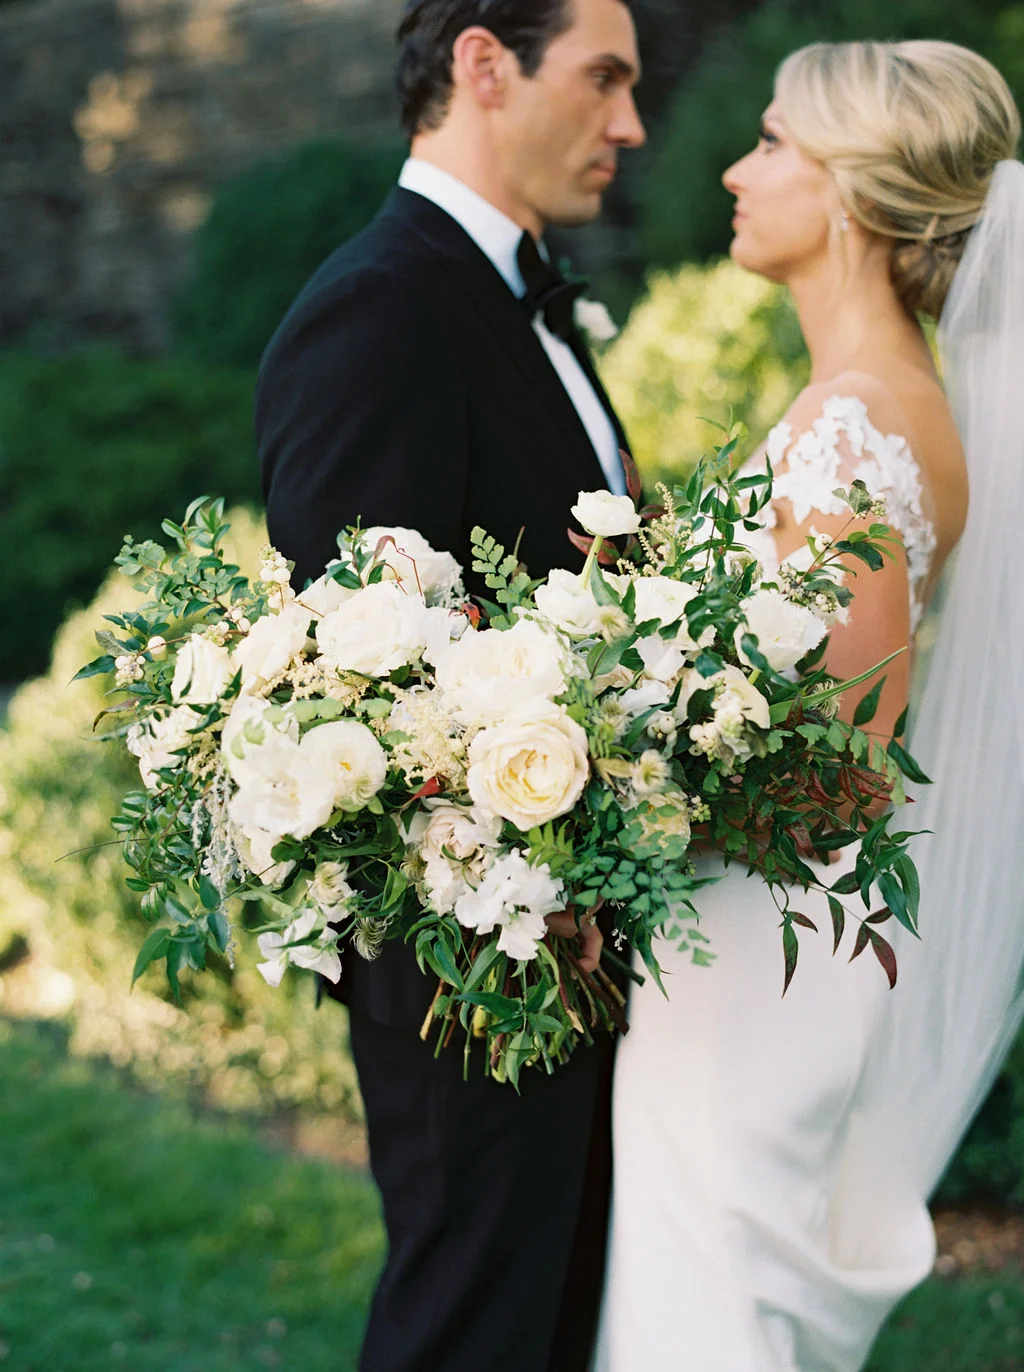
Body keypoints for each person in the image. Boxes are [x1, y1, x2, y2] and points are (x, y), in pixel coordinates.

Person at [595, 39, 1024, 1372]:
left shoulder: (854, 428)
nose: (734, 167)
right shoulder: (886, 405)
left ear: (846, 191)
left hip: (756, 951)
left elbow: (839, 769)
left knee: (707, 1312)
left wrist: (619, 779)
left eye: (771, 141)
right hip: (761, 936)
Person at [255, 2, 645, 1369]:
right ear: (486, 65)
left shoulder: (521, 296)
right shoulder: (379, 309)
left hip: (573, 949)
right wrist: (512, 905)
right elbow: (347, 681)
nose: (631, 126)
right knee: (470, 1333)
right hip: (469, 977)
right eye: (605, 81)